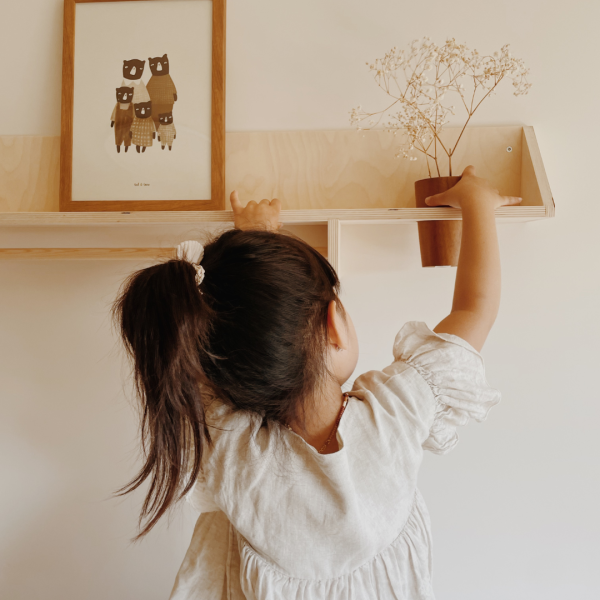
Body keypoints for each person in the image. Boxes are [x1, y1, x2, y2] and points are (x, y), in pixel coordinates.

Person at [111, 165, 522, 599]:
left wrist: (257, 247)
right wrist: (478, 203)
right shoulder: (398, 411)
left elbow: (211, 356)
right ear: (334, 326)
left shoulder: (229, 447)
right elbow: (474, 309)